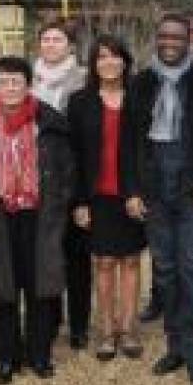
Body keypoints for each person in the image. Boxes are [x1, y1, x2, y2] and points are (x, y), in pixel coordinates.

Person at [121, 13, 193, 385]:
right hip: (155, 187)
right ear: (156, 40)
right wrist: (133, 191)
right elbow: (127, 144)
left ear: (191, 39)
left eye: (177, 36)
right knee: (166, 270)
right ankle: (176, 345)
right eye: (163, 36)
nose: (169, 42)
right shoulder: (140, 85)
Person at [0, 57, 75, 384]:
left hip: (39, 214)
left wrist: (61, 203)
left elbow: (66, 168)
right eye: (4, 81)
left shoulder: (47, 122)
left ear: (28, 85)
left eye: (16, 82)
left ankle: (39, 354)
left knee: (39, 286)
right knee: (2, 288)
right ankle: (6, 358)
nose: (10, 88)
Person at [67, 35, 147, 361]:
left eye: (115, 56)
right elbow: (73, 156)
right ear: (93, 64)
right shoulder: (79, 102)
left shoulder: (140, 99)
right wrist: (79, 202)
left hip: (131, 196)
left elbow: (146, 151)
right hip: (96, 195)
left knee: (130, 260)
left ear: (125, 61)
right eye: (102, 57)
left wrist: (138, 193)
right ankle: (105, 331)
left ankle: (128, 329)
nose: (109, 62)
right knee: (103, 263)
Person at [31, 21, 91, 350]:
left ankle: (80, 324)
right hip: (38, 181)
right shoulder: (28, 81)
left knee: (77, 256)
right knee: (47, 253)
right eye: (46, 39)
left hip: (74, 174)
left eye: (58, 39)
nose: (51, 44)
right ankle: (51, 319)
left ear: (70, 46)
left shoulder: (82, 80)